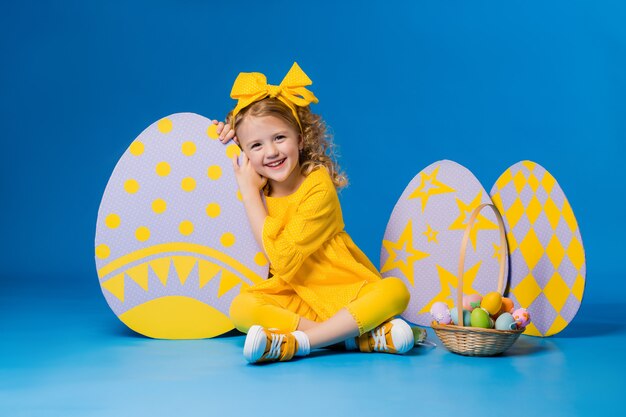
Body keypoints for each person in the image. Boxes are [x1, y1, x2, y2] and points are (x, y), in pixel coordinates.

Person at [213, 62, 415, 364]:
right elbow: (279, 271)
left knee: (395, 291)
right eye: (256, 144)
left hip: (345, 293)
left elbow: (281, 258)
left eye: (279, 138)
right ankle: (354, 337)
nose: (270, 152)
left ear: (300, 138)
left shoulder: (317, 185)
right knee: (241, 307)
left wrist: (249, 193)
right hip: (295, 295)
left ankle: (298, 343)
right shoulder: (259, 183)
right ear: (243, 151)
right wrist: (217, 141)